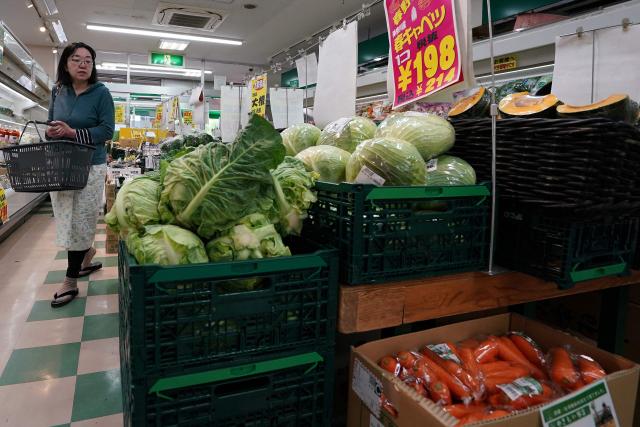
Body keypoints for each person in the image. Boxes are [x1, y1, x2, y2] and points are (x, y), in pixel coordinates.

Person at [46, 42, 114, 307]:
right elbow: (52, 123)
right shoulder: (58, 91)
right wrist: (52, 132)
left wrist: (72, 133)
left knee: (81, 219)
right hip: (63, 163)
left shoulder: (101, 93)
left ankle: (70, 280)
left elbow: (107, 131)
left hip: (90, 165)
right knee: (66, 218)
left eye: (88, 60)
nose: (83, 64)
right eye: (76, 59)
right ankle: (87, 255)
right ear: (66, 64)